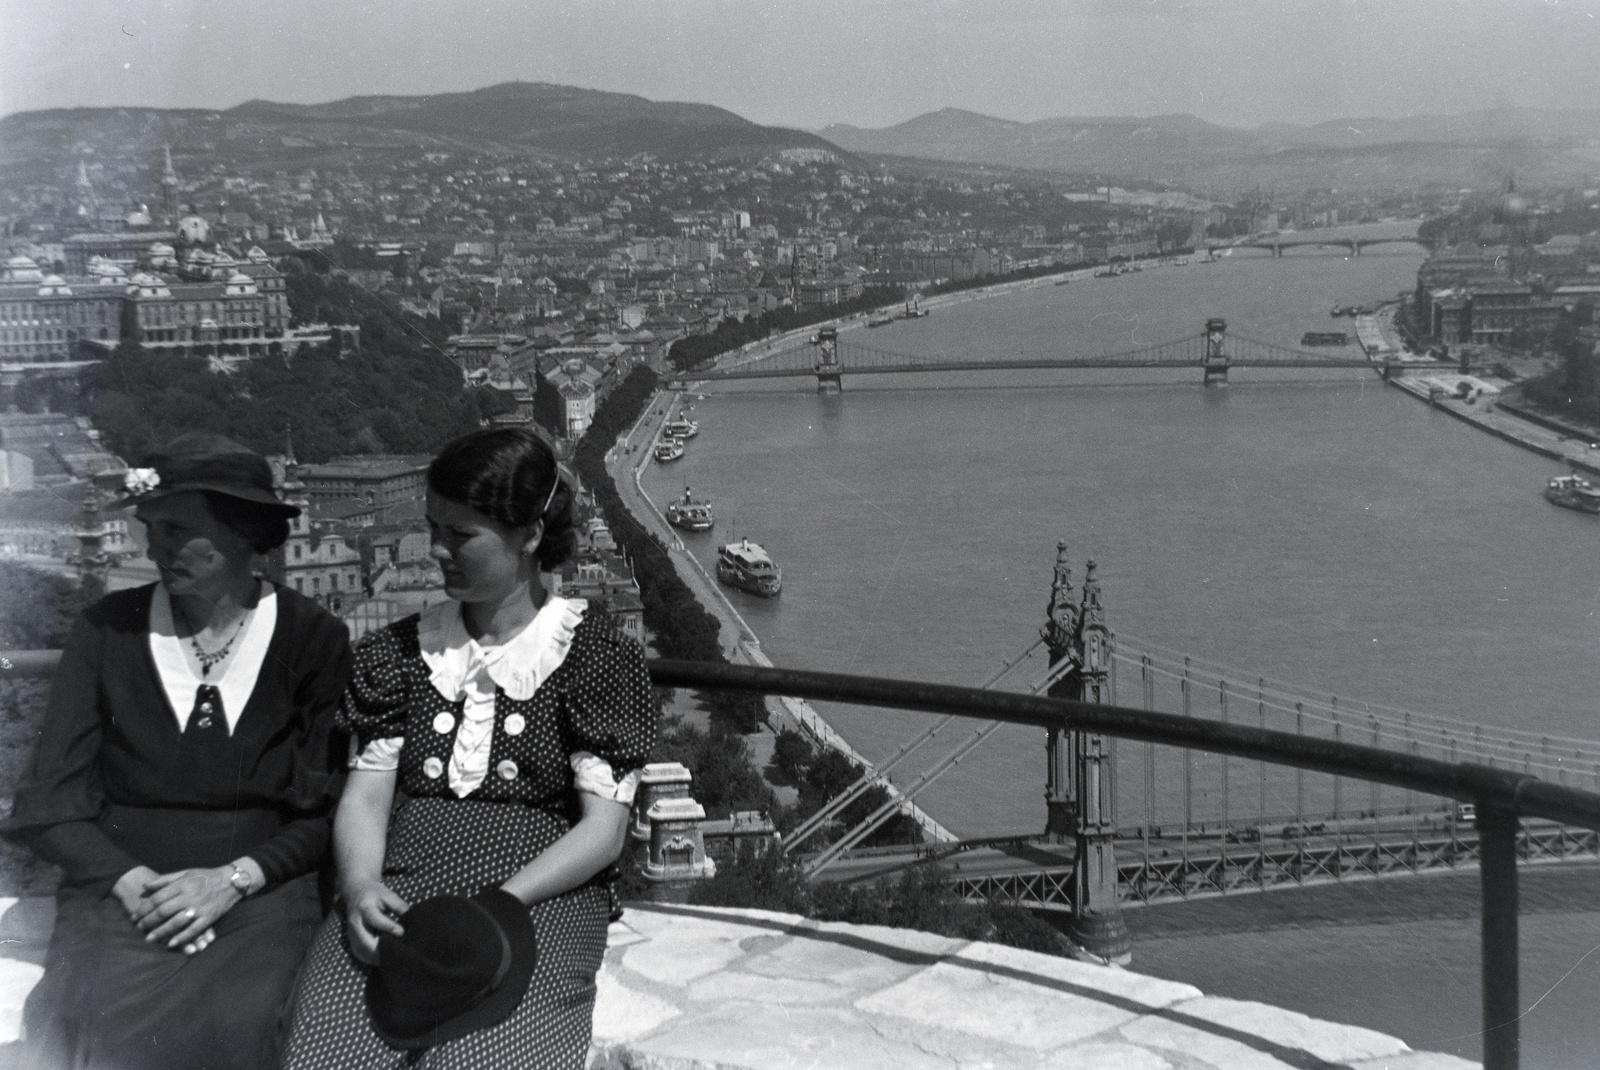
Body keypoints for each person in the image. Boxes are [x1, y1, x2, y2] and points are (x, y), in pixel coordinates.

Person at [284, 427, 657, 1069]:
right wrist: (362, 885)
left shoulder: (595, 657)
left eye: (461, 536)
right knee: (328, 1043)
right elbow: (368, 799)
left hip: (540, 893)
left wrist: (503, 903)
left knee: (491, 1054)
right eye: (434, 529)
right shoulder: (400, 655)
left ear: (529, 536)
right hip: (408, 882)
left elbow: (603, 834)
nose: (436, 551)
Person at [4, 433, 351, 1070]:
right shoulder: (107, 630)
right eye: (150, 528)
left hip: (255, 893)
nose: (155, 548)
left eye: (179, 530)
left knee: (250, 1014)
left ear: (246, 534)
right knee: (86, 1012)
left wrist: (232, 880)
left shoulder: (312, 638)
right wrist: (128, 882)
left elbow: (326, 808)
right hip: (120, 886)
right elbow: (49, 798)